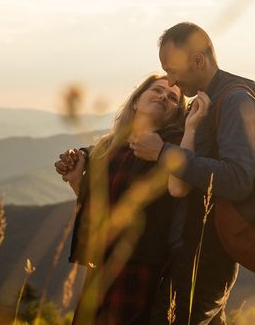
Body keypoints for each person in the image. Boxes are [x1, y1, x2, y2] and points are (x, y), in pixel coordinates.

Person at [130, 22, 255, 324]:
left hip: (206, 258)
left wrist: (163, 153)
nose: (170, 80)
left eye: (172, 70)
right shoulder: (209, 100)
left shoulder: (237, 100)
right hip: (191, 252)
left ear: (198, 61)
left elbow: (236, 180)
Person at [55, 74, 190, 324]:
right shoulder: (110, 148)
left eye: (172, 98)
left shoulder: (170, 149)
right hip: (100, 269)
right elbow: (100, 211)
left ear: (175, 114)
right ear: (137, 101)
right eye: (157, 90)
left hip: (138, 270)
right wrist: (77, 181)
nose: (163, 96)